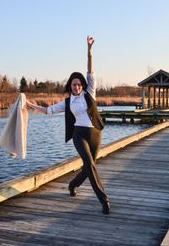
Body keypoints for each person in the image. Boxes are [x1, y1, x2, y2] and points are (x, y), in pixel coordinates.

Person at [26, 36, 110, 214]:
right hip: (79, 135)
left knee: (90, 167)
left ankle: (72, 185)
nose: (77, 87)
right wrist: (31, 105)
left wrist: (89, 52)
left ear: (82, 85)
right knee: (90, 164)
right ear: (70, 86)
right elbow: (49, 110)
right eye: (74, 85)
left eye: (79, 84)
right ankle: (104, 200)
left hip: (95, 133)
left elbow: (90, 71)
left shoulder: (90, 92)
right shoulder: (67, 102)